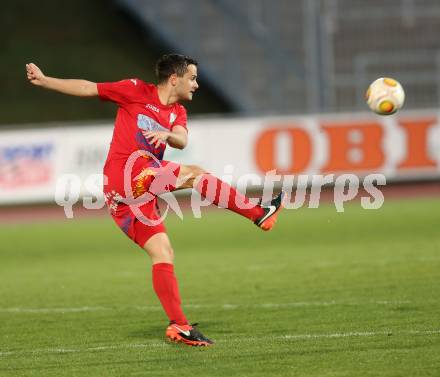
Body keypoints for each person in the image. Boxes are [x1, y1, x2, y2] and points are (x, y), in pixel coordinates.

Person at [26, 54, 284, 347]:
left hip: (127, 199)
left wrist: (168, 135)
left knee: (163, 252)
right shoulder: (135, 90)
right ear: (175, 78)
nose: (196, 84)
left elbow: (182, 140)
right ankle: (257, 213)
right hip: (126, 175)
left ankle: (179, 326)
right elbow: (89, 87)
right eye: (193, 77)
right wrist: (46, 81)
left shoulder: (178, 113)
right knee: (195, 174)